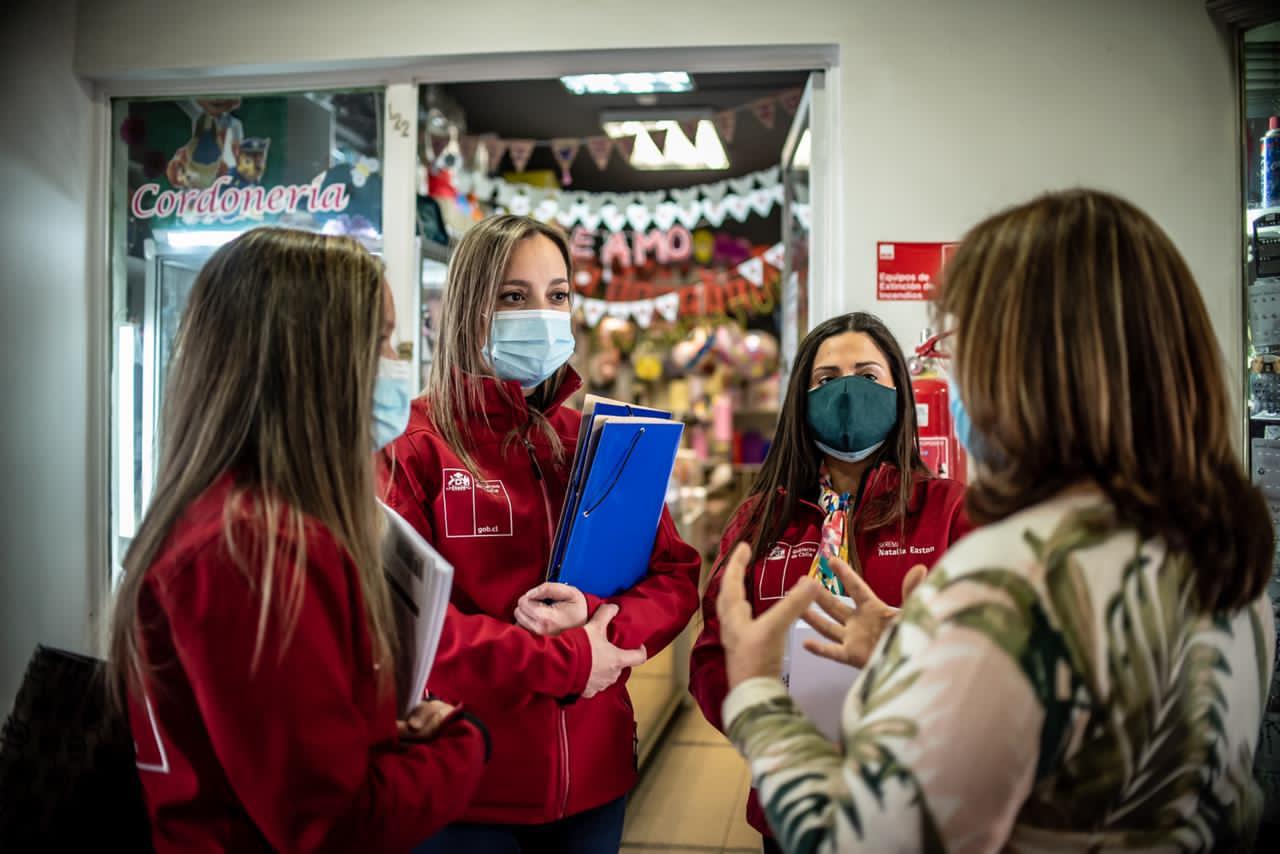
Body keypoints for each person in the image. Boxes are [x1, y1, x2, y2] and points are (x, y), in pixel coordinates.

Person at [713, 189, 1276, 852]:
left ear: (1032, 366)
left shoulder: (1008, 579)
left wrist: (755, 694)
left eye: (966, 341)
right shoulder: (1226, 559)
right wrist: (916, 656)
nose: (955, 375)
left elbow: (859, 844)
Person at [107, 228, 490, 852]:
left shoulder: (239, 521)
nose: (397, 365)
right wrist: (462, 744)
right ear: (313, 361)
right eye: (382, 341)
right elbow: (339, 822)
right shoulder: (257, 550)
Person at [381, 214, 701, 853]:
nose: (543, 314)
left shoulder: (601, 440)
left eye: (558, 296)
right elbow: (406, 628)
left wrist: (605, 623)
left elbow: (675, 575)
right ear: (471, 307)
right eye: (513, 296)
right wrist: (571, 661)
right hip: (467, 794)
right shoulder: (414, 447)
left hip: (596, 782)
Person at [688, 311, 969, 851]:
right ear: (801, 399)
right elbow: (713, 654)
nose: (846, 394)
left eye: (867, 377)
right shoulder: (758, 521)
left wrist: (912, 650)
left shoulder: (950, 511)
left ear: (899, 395)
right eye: (825, 380)